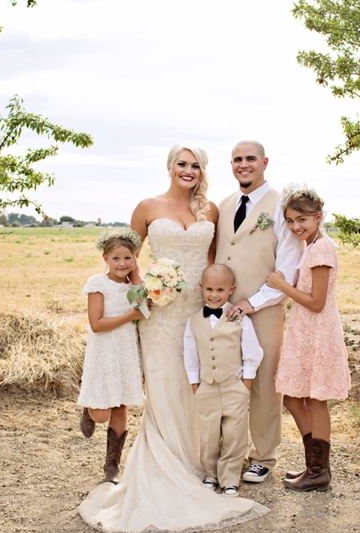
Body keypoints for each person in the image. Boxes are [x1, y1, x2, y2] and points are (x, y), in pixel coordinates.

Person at [78, 143, 268, 532]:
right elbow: (127, 256)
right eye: (182, 164)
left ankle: (201, 463)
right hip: (161, 315)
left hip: (200, 310)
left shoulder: (210, 210)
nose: (188, 170)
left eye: (195, 165)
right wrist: (144, 290)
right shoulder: (147, 207)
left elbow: (214, 260)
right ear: (169, 167)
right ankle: (165, 465)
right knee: (165, 386)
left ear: (202, 170)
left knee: (195, 384)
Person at [217, 140, 303, 484]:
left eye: (250, 158)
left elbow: (289, 264)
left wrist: (255, 301)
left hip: (264, 308)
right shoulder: (225, 205)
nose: (243, 164)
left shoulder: (281, 205)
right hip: (225, 310)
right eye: (237, 159)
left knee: (265, 382)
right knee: (226, 378)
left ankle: (264, 456)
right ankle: (229, 451)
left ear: (264, 162)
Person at [265, 184, 351, 492]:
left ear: (317, 217)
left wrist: (281, 285)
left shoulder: (323, 249)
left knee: (315, 400)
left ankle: (318, 471)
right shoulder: (311, 247)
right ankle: (315, 466)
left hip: (318, 331)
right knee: (292, 396)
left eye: (302, 219)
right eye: (290, 220)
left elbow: (317, 301)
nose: (295, 226)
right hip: (305, 330)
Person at [183, 264, 264, 497]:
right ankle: (211, 475)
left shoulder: (239, 318)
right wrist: (195, 383)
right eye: (209, 289)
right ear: (201, 288)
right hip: (206, 384)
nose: (214, 295)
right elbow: (190, 354)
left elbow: (252, 350)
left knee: (234, 433)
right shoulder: (194, 321)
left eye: (220, 290)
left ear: (231, 290)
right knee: (208, 434)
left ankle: (230, 478)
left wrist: (246, 383)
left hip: (234, 384)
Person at [78, 227, 146, 484]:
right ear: (105, 258)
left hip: (127, 351)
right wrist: (131, 315)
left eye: (128, 258)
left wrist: (138, 279)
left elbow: (145, 309)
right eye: (116, 258)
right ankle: (90, 409)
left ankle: (112, 466)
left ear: (135, 259)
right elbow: (97, 324)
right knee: (103, 413)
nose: (122, 263)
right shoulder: (98, 284)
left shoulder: (135, 287)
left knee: (120, 406)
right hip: (105, 350)